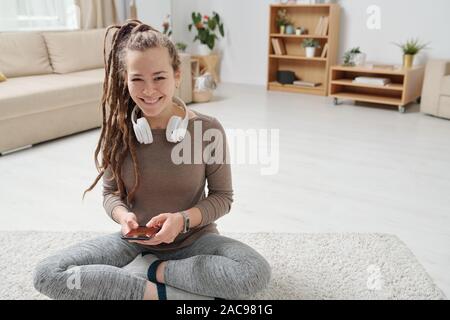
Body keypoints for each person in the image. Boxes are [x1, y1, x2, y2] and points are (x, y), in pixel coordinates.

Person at [33, 20, 271, 300]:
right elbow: (110, 194)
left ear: (177, 75)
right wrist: (124, 217)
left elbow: (222, 197)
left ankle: (157, 270)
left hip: (194, 240)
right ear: (125, 78)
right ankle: (157, 293)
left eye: (159, 77)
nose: (148, 91)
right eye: (137, 79)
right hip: (135, 242)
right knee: (48, 273)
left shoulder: (207, 129)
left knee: (253, 272)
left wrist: (182, 220)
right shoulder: (117, 132)